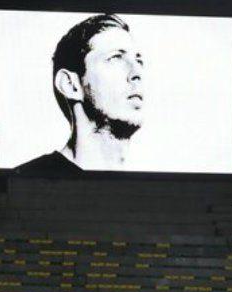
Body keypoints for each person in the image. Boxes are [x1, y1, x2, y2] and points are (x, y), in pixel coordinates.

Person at [15, 13, 145, 175]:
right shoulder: (27, 180)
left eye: (139, 61)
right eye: (116, 58)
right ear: (70, 85)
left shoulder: (156, 189)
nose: (137, 73)